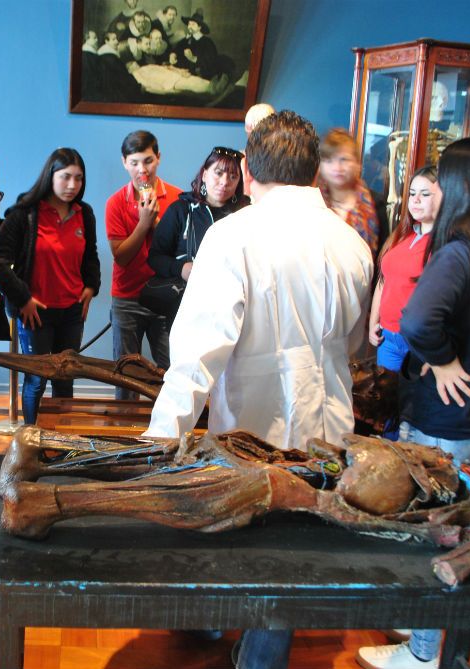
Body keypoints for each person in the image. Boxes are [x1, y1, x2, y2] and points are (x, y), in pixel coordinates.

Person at [145, 110, 373, 669]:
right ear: (314, 174)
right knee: (297, 547)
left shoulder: (232, 236)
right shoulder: (352, 244)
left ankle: (214, 623)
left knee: (236, 529)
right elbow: (355, 347)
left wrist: (157, 442)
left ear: (248, 171)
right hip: (330, 421)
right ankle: (258, 654)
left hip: (249, 424)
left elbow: (197, 356)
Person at [357, 137, 470, 669]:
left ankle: (422, 652)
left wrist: (439, 360)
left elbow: (416, 320)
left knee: (438, 532)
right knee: (466, 525)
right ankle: (434, 639)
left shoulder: (461, 248)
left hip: (444, 418)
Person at [0, 148, 101, 424]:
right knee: (37, 381)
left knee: (66, 379)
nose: (72, 185)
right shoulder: (24, 214)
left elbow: (91, 254)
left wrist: (91, 286)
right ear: (50, 175)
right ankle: (30, 442)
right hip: (35, 312)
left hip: (71, 312)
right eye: (65, 177)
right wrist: (22, 298)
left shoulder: (84, 213)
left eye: (78, 178)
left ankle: (62, 443)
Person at [105, 130, 182, 398]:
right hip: (128, 299)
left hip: (167, 297)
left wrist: (157, 224)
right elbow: (121, 257)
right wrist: (143, 224)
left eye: (148, 161)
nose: (142, 170)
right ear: (124, 162)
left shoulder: (178, 199)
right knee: (126, 376)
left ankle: (168, 435)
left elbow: (182, 255)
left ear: (158, 158)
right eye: (135, 162)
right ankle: (124, 437)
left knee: (173, 373)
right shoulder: (115, 203)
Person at [147, 145, 245, 322]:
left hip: (232, 313)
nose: (225, 182)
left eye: (233, 176)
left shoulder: (245, 215)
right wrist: (181, 269)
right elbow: (155, 257)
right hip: (185, 311)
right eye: (219, 173)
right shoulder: (181, 210)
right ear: (205, 173)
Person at [368, 166, 442, 373]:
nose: (416, 200)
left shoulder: (446, 246)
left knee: (413, 402)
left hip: (419, 341)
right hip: (387, 336)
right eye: (412, 193)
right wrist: (374, 321)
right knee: (385, 399)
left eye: (425, 194)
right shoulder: (401, 236)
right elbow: (384, 281)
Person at [318, 128, 386, 255]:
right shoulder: (313, 201)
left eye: (344, 159)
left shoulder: (376, 203)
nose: (337, 167)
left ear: (358, 163)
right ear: (320, 165)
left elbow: (383, 256)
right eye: (329, 160)